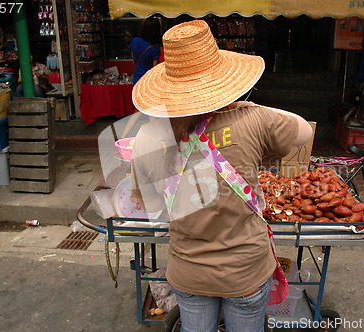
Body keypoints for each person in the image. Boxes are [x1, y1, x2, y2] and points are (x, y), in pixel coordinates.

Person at [129, 20, 313, 331]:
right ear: (221, 79)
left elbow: (150, 208)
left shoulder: (146, 136)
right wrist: (249, 106)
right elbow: (304, 129)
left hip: (189, 270)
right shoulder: (254, 119)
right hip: (246, 270)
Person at [130, 17, 162, 86]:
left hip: (136, 79)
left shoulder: (135, 41)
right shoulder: (155, 49)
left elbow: (133, 62)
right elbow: (155, 71)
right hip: (147, 82)